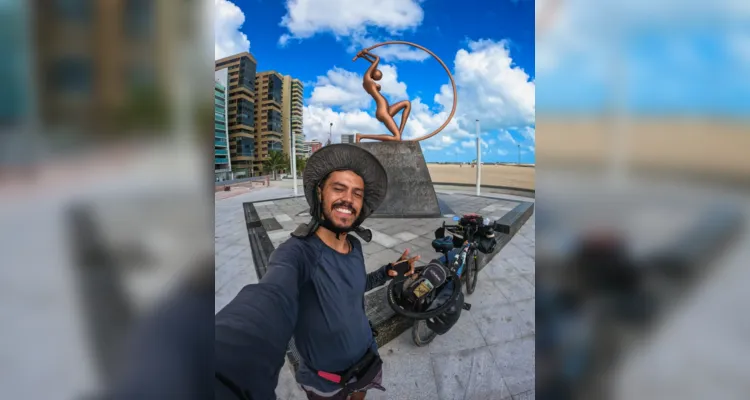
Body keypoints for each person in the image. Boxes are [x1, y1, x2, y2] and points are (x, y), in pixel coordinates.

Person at [215, 144, 420, 400]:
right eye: (339, 188)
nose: (348, 198)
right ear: (320, 192)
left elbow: (352, 287)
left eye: (357, 193)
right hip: (326, 381)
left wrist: (387, 273)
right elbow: (271, 296)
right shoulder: (297, 253)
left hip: (367, 357)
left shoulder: (353, 246)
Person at [352, 49, 411, 143]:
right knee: (396, 138)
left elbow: (374, 64)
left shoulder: (370, 82)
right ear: (373, 74)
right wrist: (366, 52)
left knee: (407, 103)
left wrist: (363, 56)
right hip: (382, 111)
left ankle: (400, 132)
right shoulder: (367, 79)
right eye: (377, 73)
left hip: (386, 109)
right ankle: (362, 136)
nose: (378, 74)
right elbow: (377, 59)